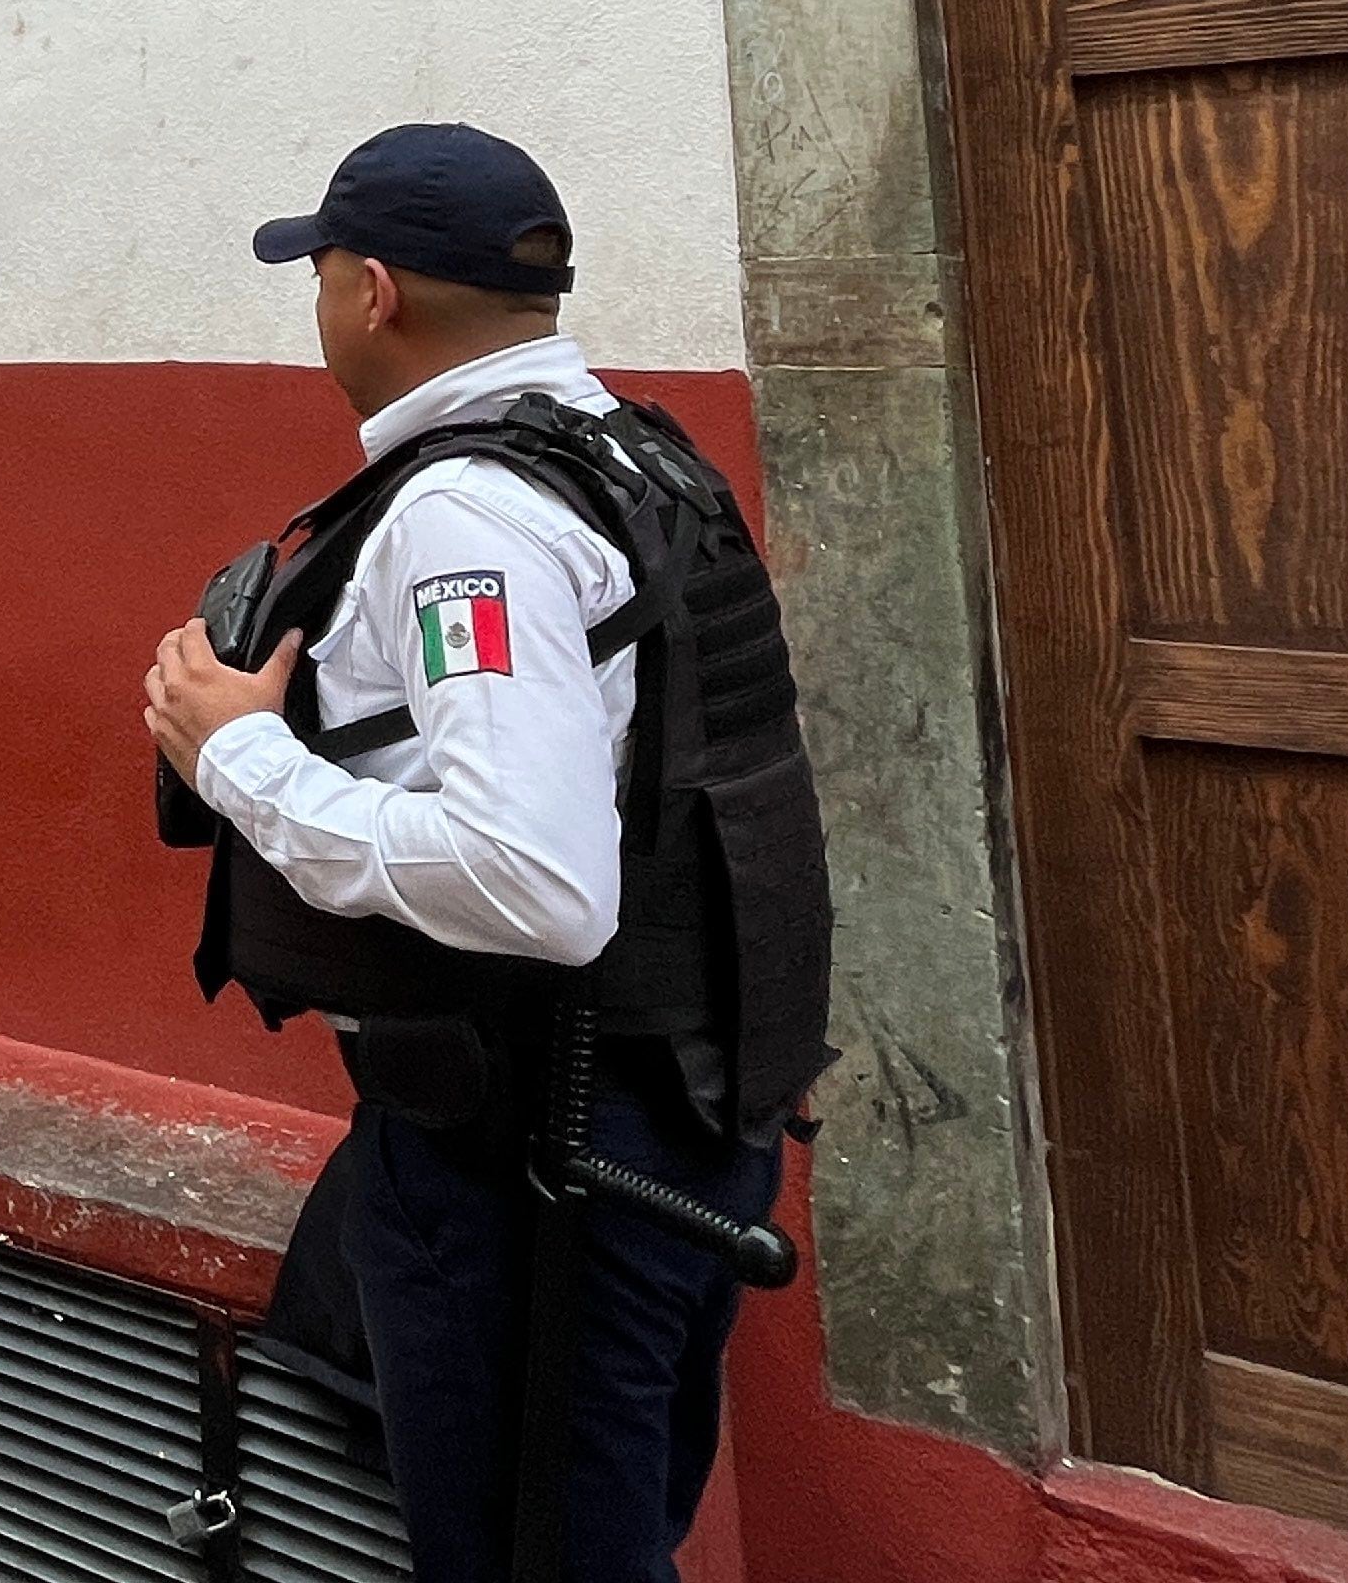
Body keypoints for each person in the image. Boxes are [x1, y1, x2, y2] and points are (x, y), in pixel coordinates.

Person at [144, 125, 832, 1583]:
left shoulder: (471, 522)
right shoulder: (635, 452)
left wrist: (239, 758)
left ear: (374, 291)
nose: (322, 301)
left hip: (544, 1160)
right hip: (669, 1115)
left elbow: (537, 878)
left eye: (321, 271)